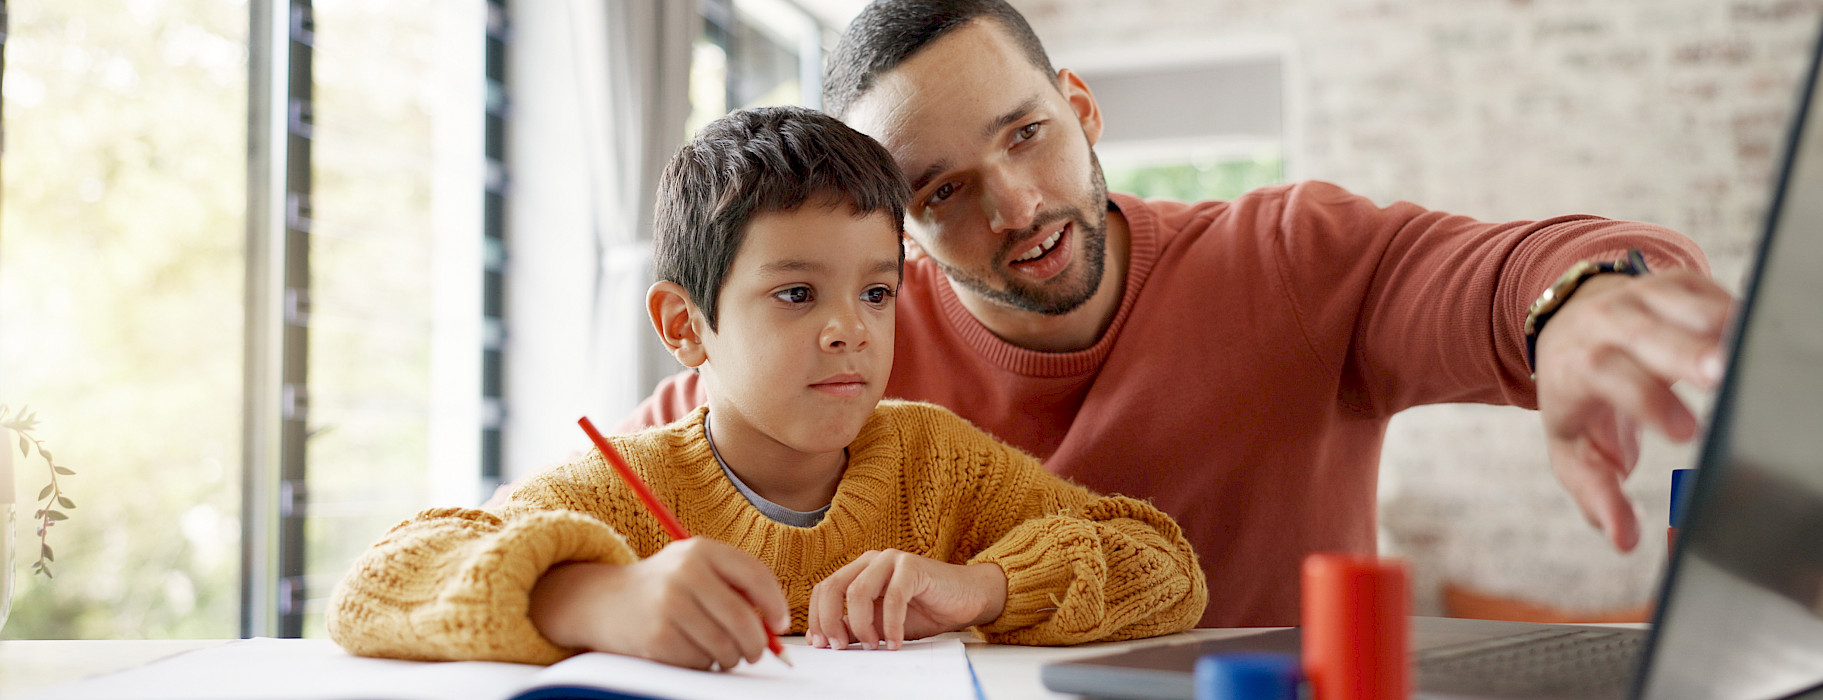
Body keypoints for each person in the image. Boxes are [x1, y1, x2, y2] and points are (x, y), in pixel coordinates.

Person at [616, 0, 1735, 628]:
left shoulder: (1286, 259)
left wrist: (1579, 304)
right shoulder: (845, 347)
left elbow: (1515, 272)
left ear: (1082, 109)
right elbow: (591, 500)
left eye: (1027, 135)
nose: (1017, 206)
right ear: (901, 228)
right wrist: (612, 593)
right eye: (943, 191)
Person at [328, 106, 1206, 670]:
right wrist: (594, 599)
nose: (849, 329)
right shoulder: (618, 491)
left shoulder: (939, 462)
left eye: (876, 293)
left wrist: (980, 587)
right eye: (796, 295)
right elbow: (374, 588)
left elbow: (1165, 570)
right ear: (684, 325)